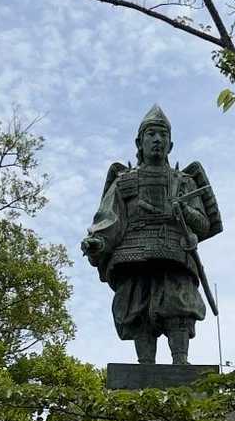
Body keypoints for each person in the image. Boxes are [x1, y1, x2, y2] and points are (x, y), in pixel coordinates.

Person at [80, 104, 220, 366]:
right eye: (151, 134)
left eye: (163, 135)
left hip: (174, 251)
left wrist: (184, 211)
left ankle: (180, 360)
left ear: (171, 144)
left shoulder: (185, 182)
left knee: (178, 305)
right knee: (138, 307)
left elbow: (203, 226)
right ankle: (145, 364)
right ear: (139, 142)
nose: (157, 140)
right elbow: (109, 218)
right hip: (133, 253)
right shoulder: (124, 181)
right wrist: (97, 241)